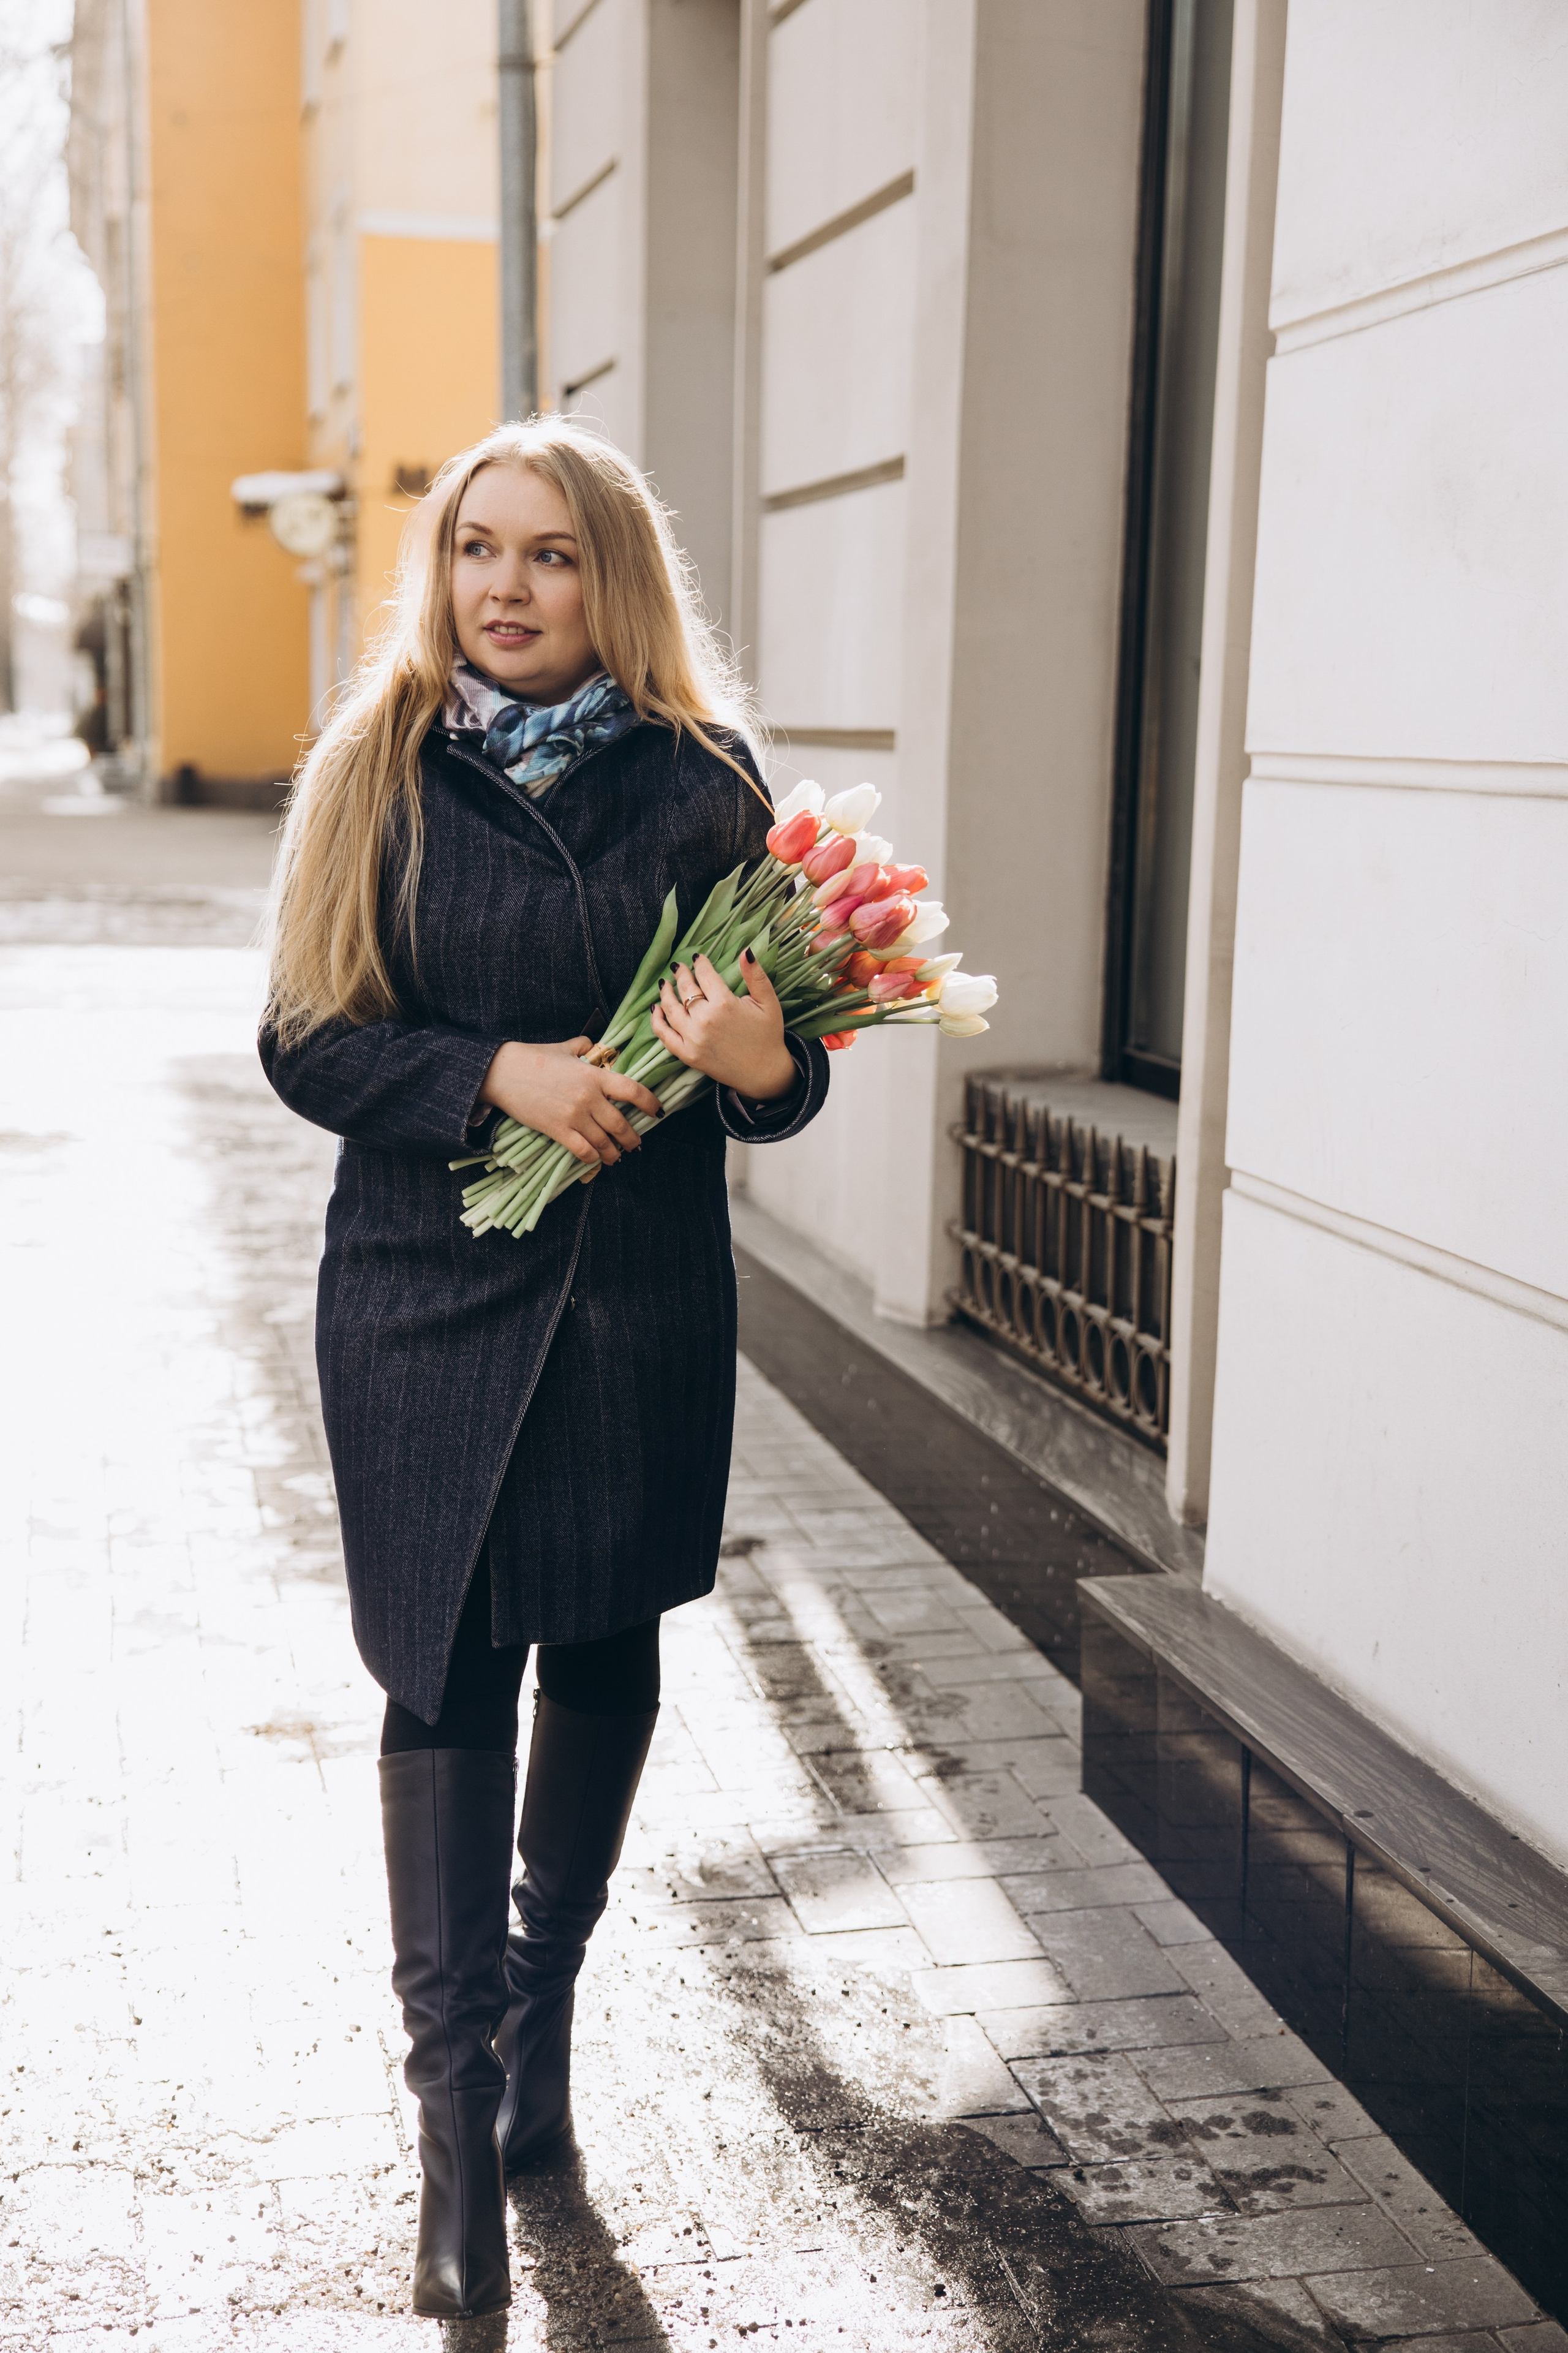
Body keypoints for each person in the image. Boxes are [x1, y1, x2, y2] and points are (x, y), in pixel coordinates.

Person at [259, 420, 831, 2320]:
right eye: (478, 550)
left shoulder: (702, 787)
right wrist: (491, 1076)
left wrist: (758, 1057)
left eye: (554, 555)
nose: (506, 587)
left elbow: (788, 1077)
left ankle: (536, 2029)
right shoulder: (377, 774)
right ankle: (454, 2142)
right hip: (421, 1294)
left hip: (633, 1304)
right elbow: (307, 1039)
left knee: (596, 1646)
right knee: (439, 1663)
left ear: (615, 581)